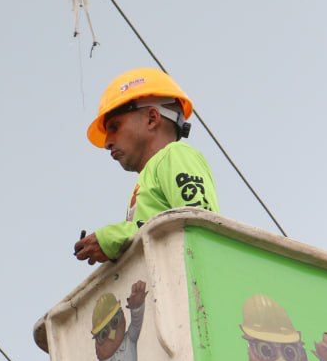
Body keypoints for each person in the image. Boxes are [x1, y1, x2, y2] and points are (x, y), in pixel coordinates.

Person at [73, 68, 220, 264]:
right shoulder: (148, 178)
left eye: (114, 127)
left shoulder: (175, 154)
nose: (107, 142)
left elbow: (198, 222)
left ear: (152, 118)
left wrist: (114, 238)